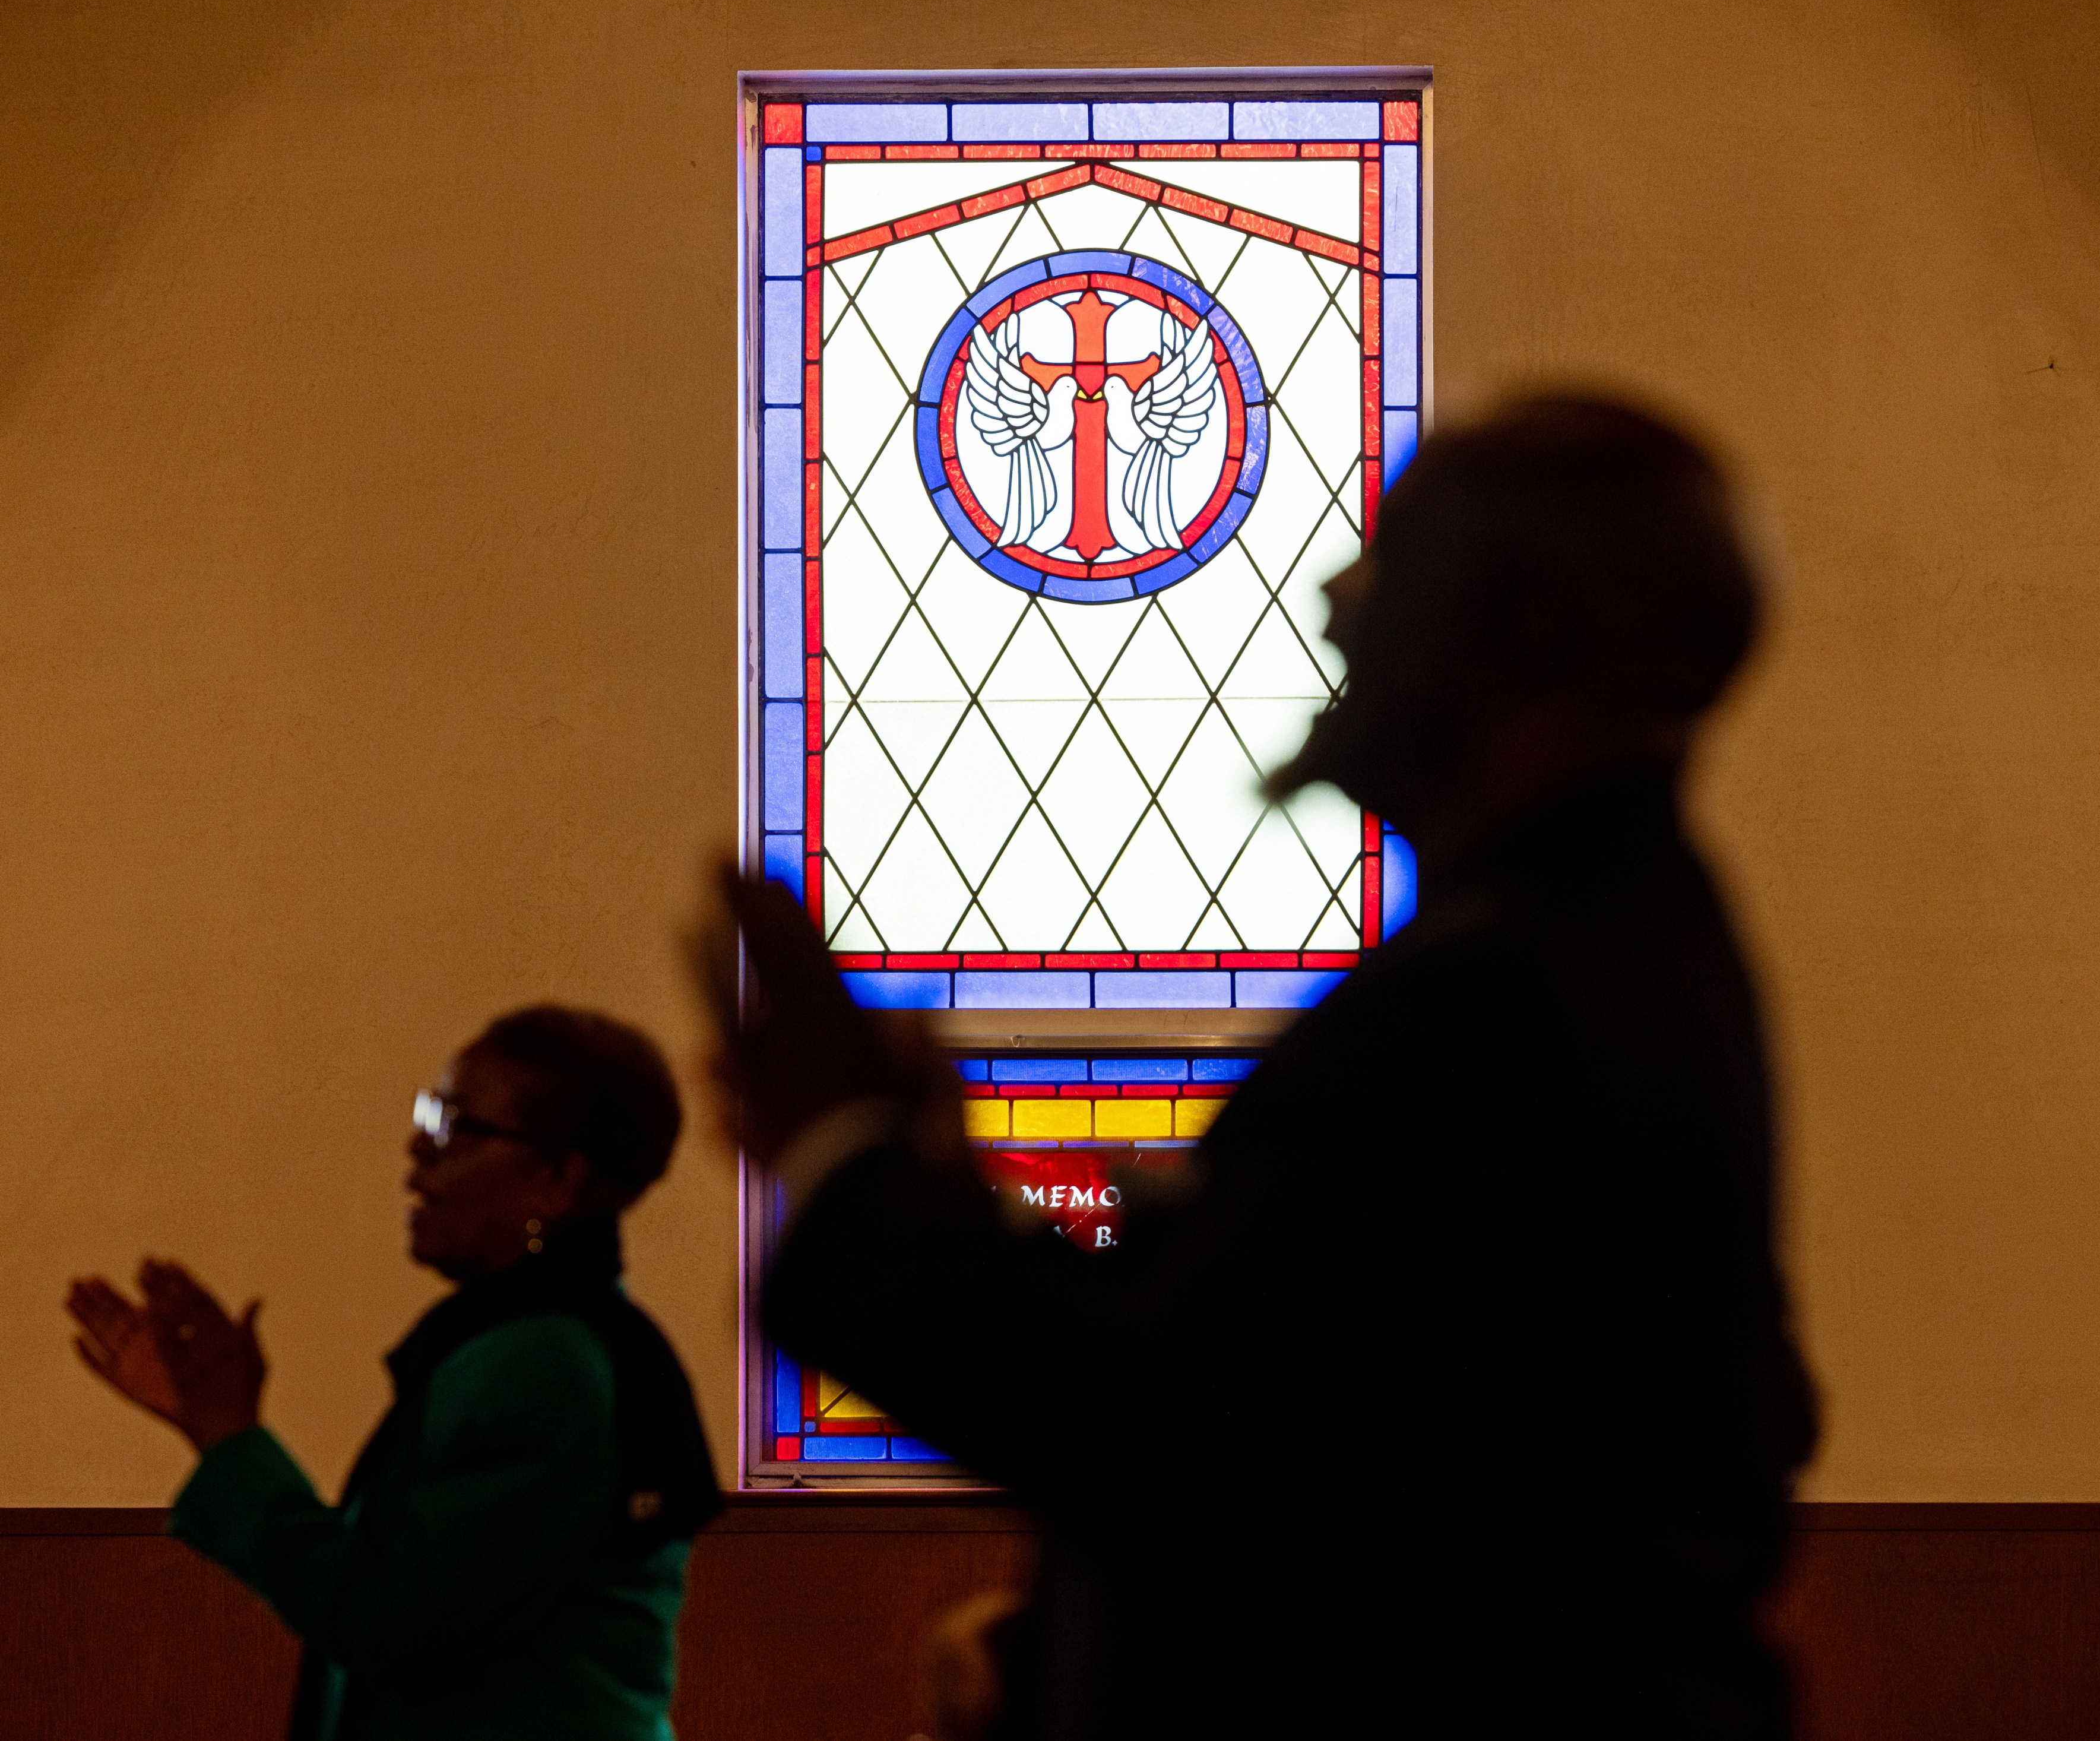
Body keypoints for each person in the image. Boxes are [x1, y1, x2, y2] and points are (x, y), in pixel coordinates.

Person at [699, 393, 1819, 1740]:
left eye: (1397, 558)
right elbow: (1347, 1421)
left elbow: (1177, 1436)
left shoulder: (1495, 995)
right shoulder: (1608, 941)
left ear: (1532, 630)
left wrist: (845, 1160)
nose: (1339, 600)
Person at [66, 1005, 720, 1741]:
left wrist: (229, 1438)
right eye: (428, 1112)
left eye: (456, 1126)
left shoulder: (545, 1366)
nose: (418, 1146)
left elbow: (393, 1624)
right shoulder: (532, 1340)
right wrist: (217, 1425)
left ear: (558, 1178)